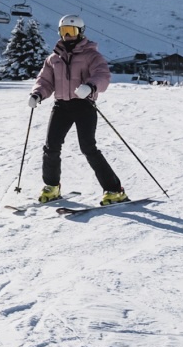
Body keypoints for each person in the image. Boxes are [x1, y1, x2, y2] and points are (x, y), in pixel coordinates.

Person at [28, 14, 128, 206]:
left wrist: (90, 87)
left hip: (84, 105)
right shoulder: (53, 59)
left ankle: (114, 190)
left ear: (80, 32)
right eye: (64, 31)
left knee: (88, 148)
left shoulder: (92, 56)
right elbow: (45, 81)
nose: (67, 35)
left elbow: (102, 75)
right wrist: (37, 94)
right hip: (61, 106)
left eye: (71, 31)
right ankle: (51, 186)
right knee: (51, 147)